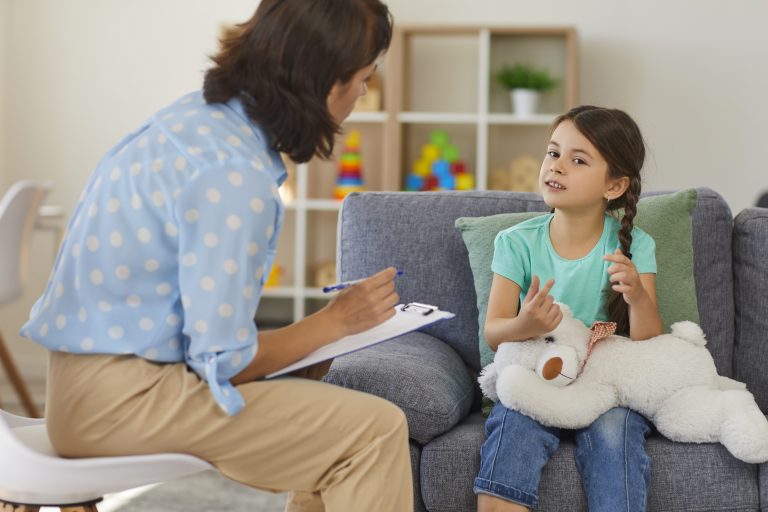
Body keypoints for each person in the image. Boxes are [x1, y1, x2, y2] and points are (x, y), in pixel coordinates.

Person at [20, 1, 414, 511]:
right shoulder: (235, 176)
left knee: (337, 432)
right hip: (123, 404)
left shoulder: (194, 123)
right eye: (364, 79)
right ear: (325, 82)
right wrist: (337, 322)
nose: (363, 93)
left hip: (84, 392)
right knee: (375, 431)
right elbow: (225, 359)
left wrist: (309, 347)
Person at [475, 105, 664, 512]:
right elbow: (494, 331)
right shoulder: (516, 243)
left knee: (617, 431)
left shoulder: (636, 246)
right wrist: (525, 324)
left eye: (577, 160)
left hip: (604, 388)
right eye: (553, 152)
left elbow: (650, 341)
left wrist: (637, 296)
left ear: (614, 186)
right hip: (535, 376)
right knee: (511, 425)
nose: (556, 167)